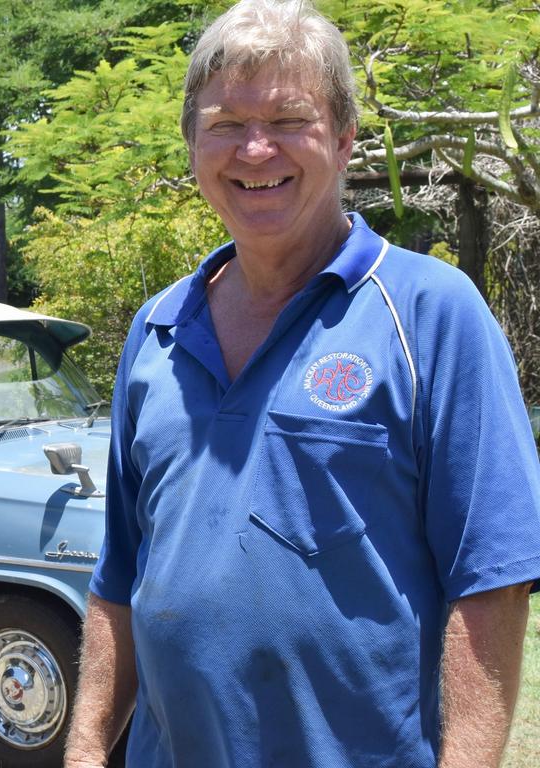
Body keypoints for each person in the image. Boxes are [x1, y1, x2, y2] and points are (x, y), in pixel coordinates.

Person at [64, 1, 540, 766]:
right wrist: (87, 749)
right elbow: (122, 570)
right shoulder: (155, 331)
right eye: (224, 124)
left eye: (290, 119)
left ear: (345, 139)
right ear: (192, 146)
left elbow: (492, 581)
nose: (256, 149)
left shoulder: (430, 313)